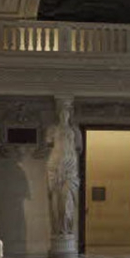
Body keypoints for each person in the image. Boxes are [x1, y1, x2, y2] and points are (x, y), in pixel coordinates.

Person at [45, 100, 82, 237]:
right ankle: (58, 229)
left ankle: (66, 230)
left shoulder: (74, 131)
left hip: (70, 166)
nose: (64, 116)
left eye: (66, 113)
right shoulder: (53, 130)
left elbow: (78, 147)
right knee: (55, 199)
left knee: (68, 201)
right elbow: (48, 143)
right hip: (55, 164)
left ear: (70, 115)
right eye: (61, 113)